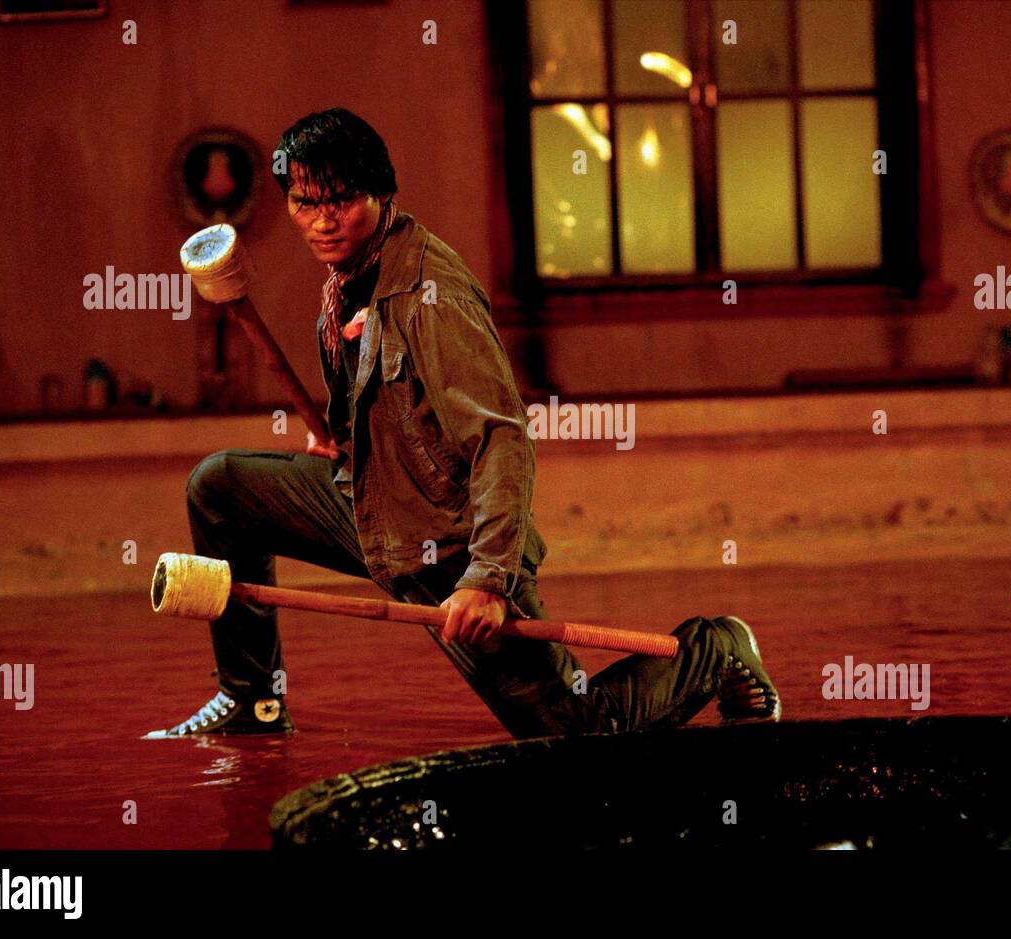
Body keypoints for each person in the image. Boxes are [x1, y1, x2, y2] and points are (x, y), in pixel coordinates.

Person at [145, 108, 779, 740]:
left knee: (576, 731)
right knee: (222, 487)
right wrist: (347, 439)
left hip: (449, 547)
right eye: (305, 202)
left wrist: (487, 580)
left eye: (341, 200)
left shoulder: (431, 295)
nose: (323, 220)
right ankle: (251, 699)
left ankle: (716, 647)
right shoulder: (350, 280)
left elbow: (502, 436)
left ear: (381, 192)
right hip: (372, 505)